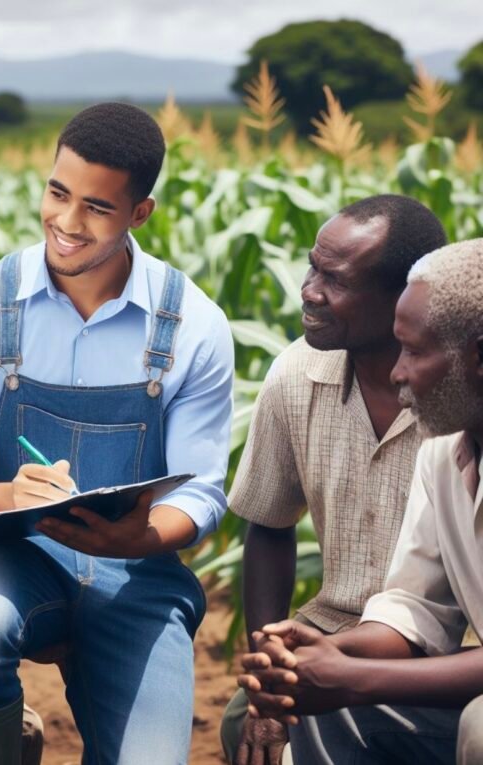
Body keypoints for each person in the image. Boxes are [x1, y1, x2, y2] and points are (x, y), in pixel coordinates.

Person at [0, 102, 234, 764]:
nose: (66, 223)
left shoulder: (194, 325)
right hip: (15, 557)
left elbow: (202, 490)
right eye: (57, 193)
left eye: (97, 207)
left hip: (137, 573)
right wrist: (7, 496)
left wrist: (140, 535)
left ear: (138, 213)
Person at [220, 195, 448, 765]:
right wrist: (270, 661)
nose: (309, 290)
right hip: (335, 629)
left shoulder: (457, 399)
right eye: (311, 267)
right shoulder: (295, 374)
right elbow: (268, 527)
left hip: (452, 647)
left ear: (402, 298)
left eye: (335, 280)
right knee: (246, 726)